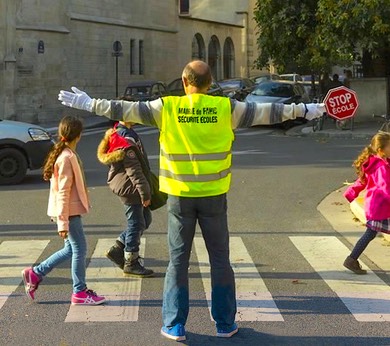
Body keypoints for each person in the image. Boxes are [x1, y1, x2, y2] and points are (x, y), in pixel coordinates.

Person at [58, 60, 325, 341]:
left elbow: (124, 109)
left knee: (178, 262)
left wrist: (89, 103)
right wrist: (307, 109)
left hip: (180, 198)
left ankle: (174, 324)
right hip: (213, 196)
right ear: (210, 84)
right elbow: (268, 112)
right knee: (220, 260)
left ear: (184, 82)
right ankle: (224, 324)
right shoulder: (226, 108)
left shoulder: (168, 108)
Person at [21, 116, 105, 305]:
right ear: (79, 135)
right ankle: (79, 292)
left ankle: (35, 273)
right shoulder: (67, 157)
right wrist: (63, 222)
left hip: (67, 210)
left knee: (70, 249)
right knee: (79, 249)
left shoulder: (65, 154)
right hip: (68, 211)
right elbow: (63, 193)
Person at [97, 120, 154, 277]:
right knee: (136, 224)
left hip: (130, 186)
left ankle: (118, 248)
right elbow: (134, 170)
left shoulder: (120, 132)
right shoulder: (125, 139)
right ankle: (131, 262)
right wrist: (145, 193)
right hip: (131, 188)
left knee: (145, 220)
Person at [343, 132, 390, 274]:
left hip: (375, 207)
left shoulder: (374, 162)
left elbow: (361, 181)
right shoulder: (381, 167)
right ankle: (351, 259)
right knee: (370, 234)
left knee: (370, 234)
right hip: (381, 207)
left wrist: (351, 192)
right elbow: (385, 187)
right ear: (381, 150)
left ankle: (352, 259)